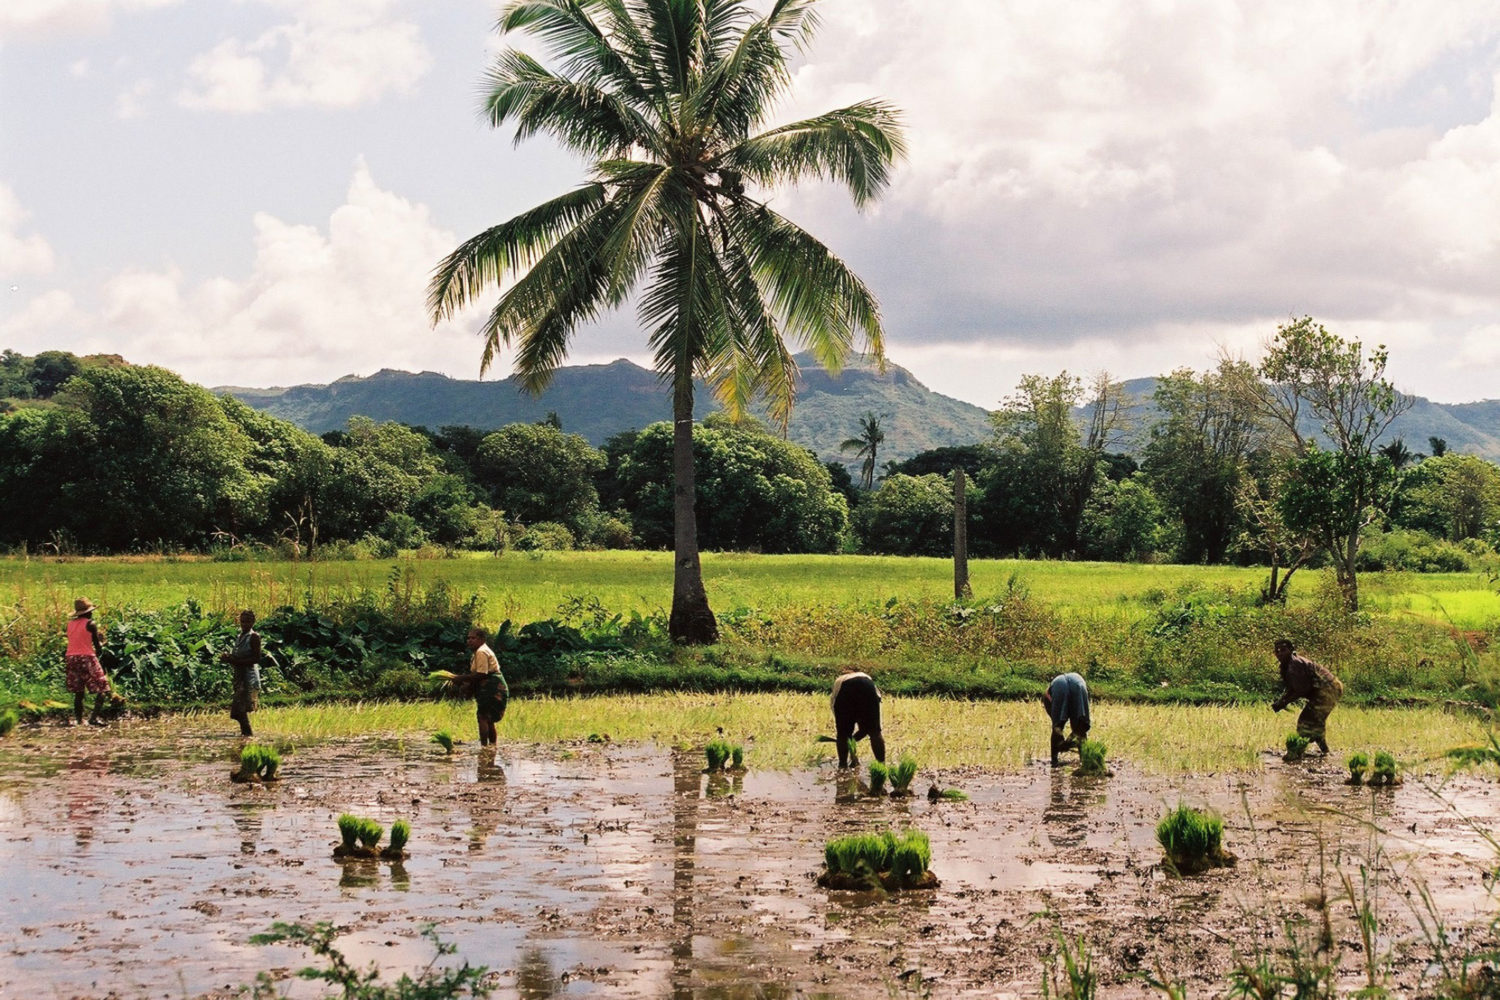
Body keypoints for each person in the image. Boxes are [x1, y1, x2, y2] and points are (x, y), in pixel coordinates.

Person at [1271, 638, 1343, 754]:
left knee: (1305, 722)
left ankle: (1297, 753)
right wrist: (1282, 700)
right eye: (1277, 651)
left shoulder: (1295, 664)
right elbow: (1293, 688)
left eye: (1283, 650)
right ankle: (1324, 752)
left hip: (1329, 689)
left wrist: (1284, 702)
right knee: (1314, 722)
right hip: (1325, 690)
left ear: (1291, 650)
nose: (1279, 653)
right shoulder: (1288, 665)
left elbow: (1301, 689)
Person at [64, 598, 111, 727]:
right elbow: (98, 646)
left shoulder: (70, 624)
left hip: (71, 658)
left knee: (79, 692)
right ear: (87, 612)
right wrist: (102, 642)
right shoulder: (91, 624)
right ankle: (93, 718)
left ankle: (79, 721)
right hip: (86, 657)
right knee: (102, 688)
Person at [830, 669, 885, 768]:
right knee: (875, 732)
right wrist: (852, 741)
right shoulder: (866, 676)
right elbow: (878, 698)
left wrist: (845, 738)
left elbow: (834, 706)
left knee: (843, 735)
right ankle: (882, 765)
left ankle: (842, 765)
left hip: (846, 689)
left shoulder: (840, 680)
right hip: (867, 686)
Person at [220, 609, 261, 737]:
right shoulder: (240, 636)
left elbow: (256, 658)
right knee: (238, 711)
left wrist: (235, 660)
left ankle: (247, 735)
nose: (244, 624)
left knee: (239, 710)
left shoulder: (254, 637)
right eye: (242, 621)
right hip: (239, 675)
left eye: (248, 622)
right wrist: (228, 658)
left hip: (248, 677)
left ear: (253, 622)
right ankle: (246, 734)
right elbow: (237, 657)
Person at [466, 627, 508, 747]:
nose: (469, 641)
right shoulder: (478, 652)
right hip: (490, 686)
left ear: (481, 639)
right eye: (468, 638)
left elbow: (481, 674)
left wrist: (459, 678)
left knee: (483, 717)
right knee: (488, 719)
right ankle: (492, 747)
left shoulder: (481, 652)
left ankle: (484, 747)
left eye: (473, 638)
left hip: (492, 687)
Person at [1043, 672, 1090, 766]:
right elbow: (1081, 726)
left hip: (1062, 686)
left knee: (1057, 726)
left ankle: (1054, 761)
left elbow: (1057, 726)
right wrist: (1065, 739)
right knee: (1080, 728)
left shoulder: (1050, 694)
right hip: (1077, 684)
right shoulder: (1048, 697)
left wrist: (1068, 740)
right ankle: (1084, 760)